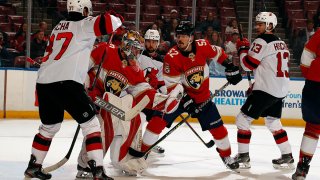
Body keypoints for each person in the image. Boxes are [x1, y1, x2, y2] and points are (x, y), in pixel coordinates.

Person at [23, 0, 123, 179]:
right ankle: (97, 170)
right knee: (91, 125)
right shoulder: (84, 25)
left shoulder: (58, 27)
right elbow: (110, 23)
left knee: (49, 126)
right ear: (84, 9)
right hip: (66, 82)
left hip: (44, 82)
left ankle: (33, 166)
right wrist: (116, 17)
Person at [76, 30, 183, 177]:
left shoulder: (135, 69)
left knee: (132, 118)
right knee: (98, 129)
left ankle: (124, 159)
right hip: (89, 99)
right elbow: (81, 67)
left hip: (106, 103)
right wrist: (84, 88)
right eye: (135, 49)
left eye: (139, 50)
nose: (137, 53)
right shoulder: (105, 49)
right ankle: (86, 164)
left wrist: (162, 100)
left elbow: (142, 91)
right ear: (126, 45)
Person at [140, 22, 242, 170]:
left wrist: (230, 67)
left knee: (219, 129)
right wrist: (187, 103)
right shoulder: (171, 57)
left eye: (183, 36)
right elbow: (172, 87)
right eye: (178, 36)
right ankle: (143, 153)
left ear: (191, 37)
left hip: (202, 98)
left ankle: (226, 156)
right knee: (156, 122)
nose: (179, 39)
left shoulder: (203, 45)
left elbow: (218, 53)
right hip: (178, 99)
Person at [235, 12, 294, 169]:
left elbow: (248, 64)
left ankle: (243, 156)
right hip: (280, 90)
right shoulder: (281, 42)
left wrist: (242, 49)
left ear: (269, 25)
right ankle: (287, 155)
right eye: (257, 23)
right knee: (273, 121)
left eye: (261, 24)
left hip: (267, 90)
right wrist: (257, 83)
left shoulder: (261, 40)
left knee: (242, 119)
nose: (257, 26)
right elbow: (271, 67)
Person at [292, 29, 320, 180]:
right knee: (313, 126)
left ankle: (302, 168)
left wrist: (311, 74)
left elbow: (307, 56)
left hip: (316, 83)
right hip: (316, 82)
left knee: (313, 127)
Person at [139, 29, 167, 155]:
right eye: (148, 41)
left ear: (158, 43)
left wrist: (166, 96)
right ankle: (135, 141)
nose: (151, 44)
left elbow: (161, 82)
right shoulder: (138, 55)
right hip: (138, 95)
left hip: (151, 97)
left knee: (158, 118)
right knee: (139, 118)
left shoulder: (161, 60)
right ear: (144, 42)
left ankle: (149, 142)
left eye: (154, 42)